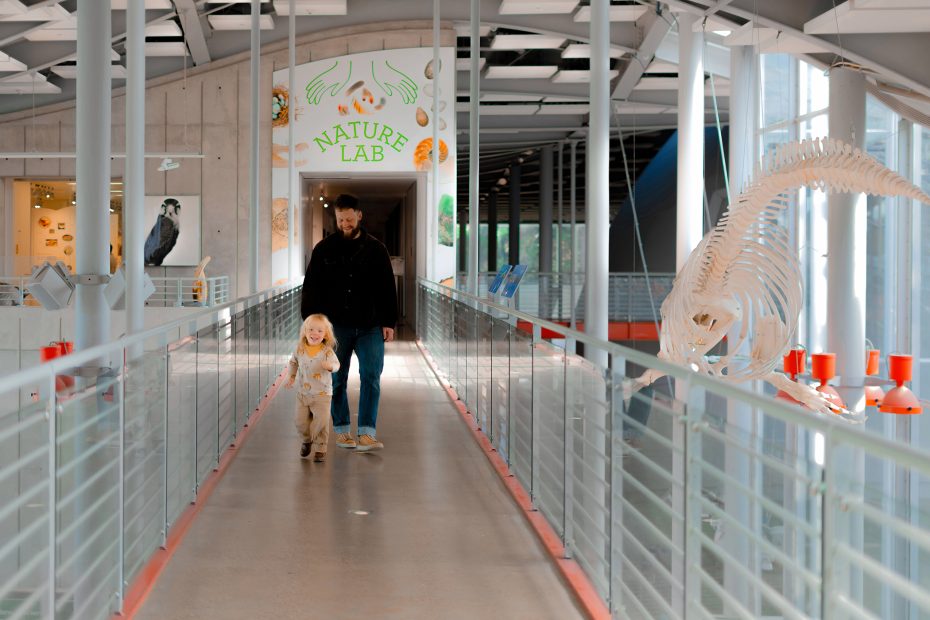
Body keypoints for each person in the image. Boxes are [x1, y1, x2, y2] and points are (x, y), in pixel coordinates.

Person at [301, 193, 397, 452]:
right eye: (341, 219)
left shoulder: (376, 249)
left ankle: (366, 433)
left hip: (370, 325)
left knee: (371, 376)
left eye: (349, 219)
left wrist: (389, 321)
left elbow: (387, 287)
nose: (345, 224)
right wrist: (310, 323)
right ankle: (342, 430)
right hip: (335, 327)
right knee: (336, 378)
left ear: (359, 216)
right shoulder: (324, 249)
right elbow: (311, 287)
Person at [286, 314, 341, 462]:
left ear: (325, 334)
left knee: (321, 421)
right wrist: (291, 377)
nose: (314, 333)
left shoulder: (327, 351)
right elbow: (293, 362)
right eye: (311, 329)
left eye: (319, 331)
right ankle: (307, 440)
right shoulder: (300, 349)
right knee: (300, 422)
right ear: (305, 331)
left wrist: (330, 367)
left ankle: (320, 448)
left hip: (322, 394)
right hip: (303, 393)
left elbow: (337, 365)